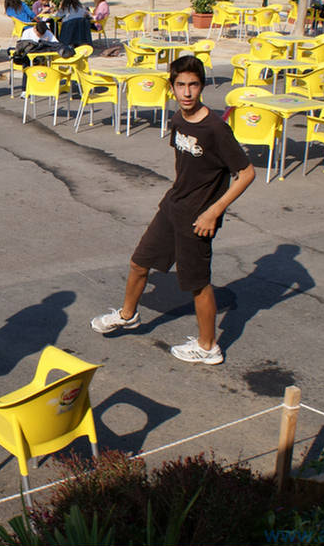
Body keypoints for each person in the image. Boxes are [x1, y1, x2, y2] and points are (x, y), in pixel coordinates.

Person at [90, 55, 255, 365]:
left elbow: (246, 173)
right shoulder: (178, 119)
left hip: (198, 218)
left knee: (197, 284)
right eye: (181, 85)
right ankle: (127, 315)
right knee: (139, 262)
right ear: (172, 87)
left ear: (202, 86)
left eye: (193, 85)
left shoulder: (215, 129)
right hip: (173, 207)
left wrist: (213, 211)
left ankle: (208, 347)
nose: (187, 92)